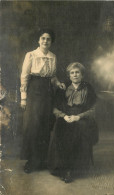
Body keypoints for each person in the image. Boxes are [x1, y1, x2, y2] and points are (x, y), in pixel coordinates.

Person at [20, 28, 65, 173]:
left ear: (51, 42)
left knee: (45, 126)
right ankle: (31, 161)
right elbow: (24, 76)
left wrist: (58, 84)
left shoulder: (53, 57)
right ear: (38, 40)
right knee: (33, 126)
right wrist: (23, 98)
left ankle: (42, 159)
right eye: (43, 38)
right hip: (34, 91)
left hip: (47, 94)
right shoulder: (31, 55)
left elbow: (52, 77)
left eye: (48, 39)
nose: (45, 41)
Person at [48, 62, 98, 183]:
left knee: (77, 130)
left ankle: (74, 169)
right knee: (61, 128)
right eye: (72, 73)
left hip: (82, 119)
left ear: (82, 75)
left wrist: (78, 117)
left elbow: (92, 110)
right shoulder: (63, 88)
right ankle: (64, 169)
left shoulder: (88, 88)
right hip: (66, 117)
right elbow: (54, 108)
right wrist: (64, 116)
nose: (75, 75)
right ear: (69, 76)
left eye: (77, 72)